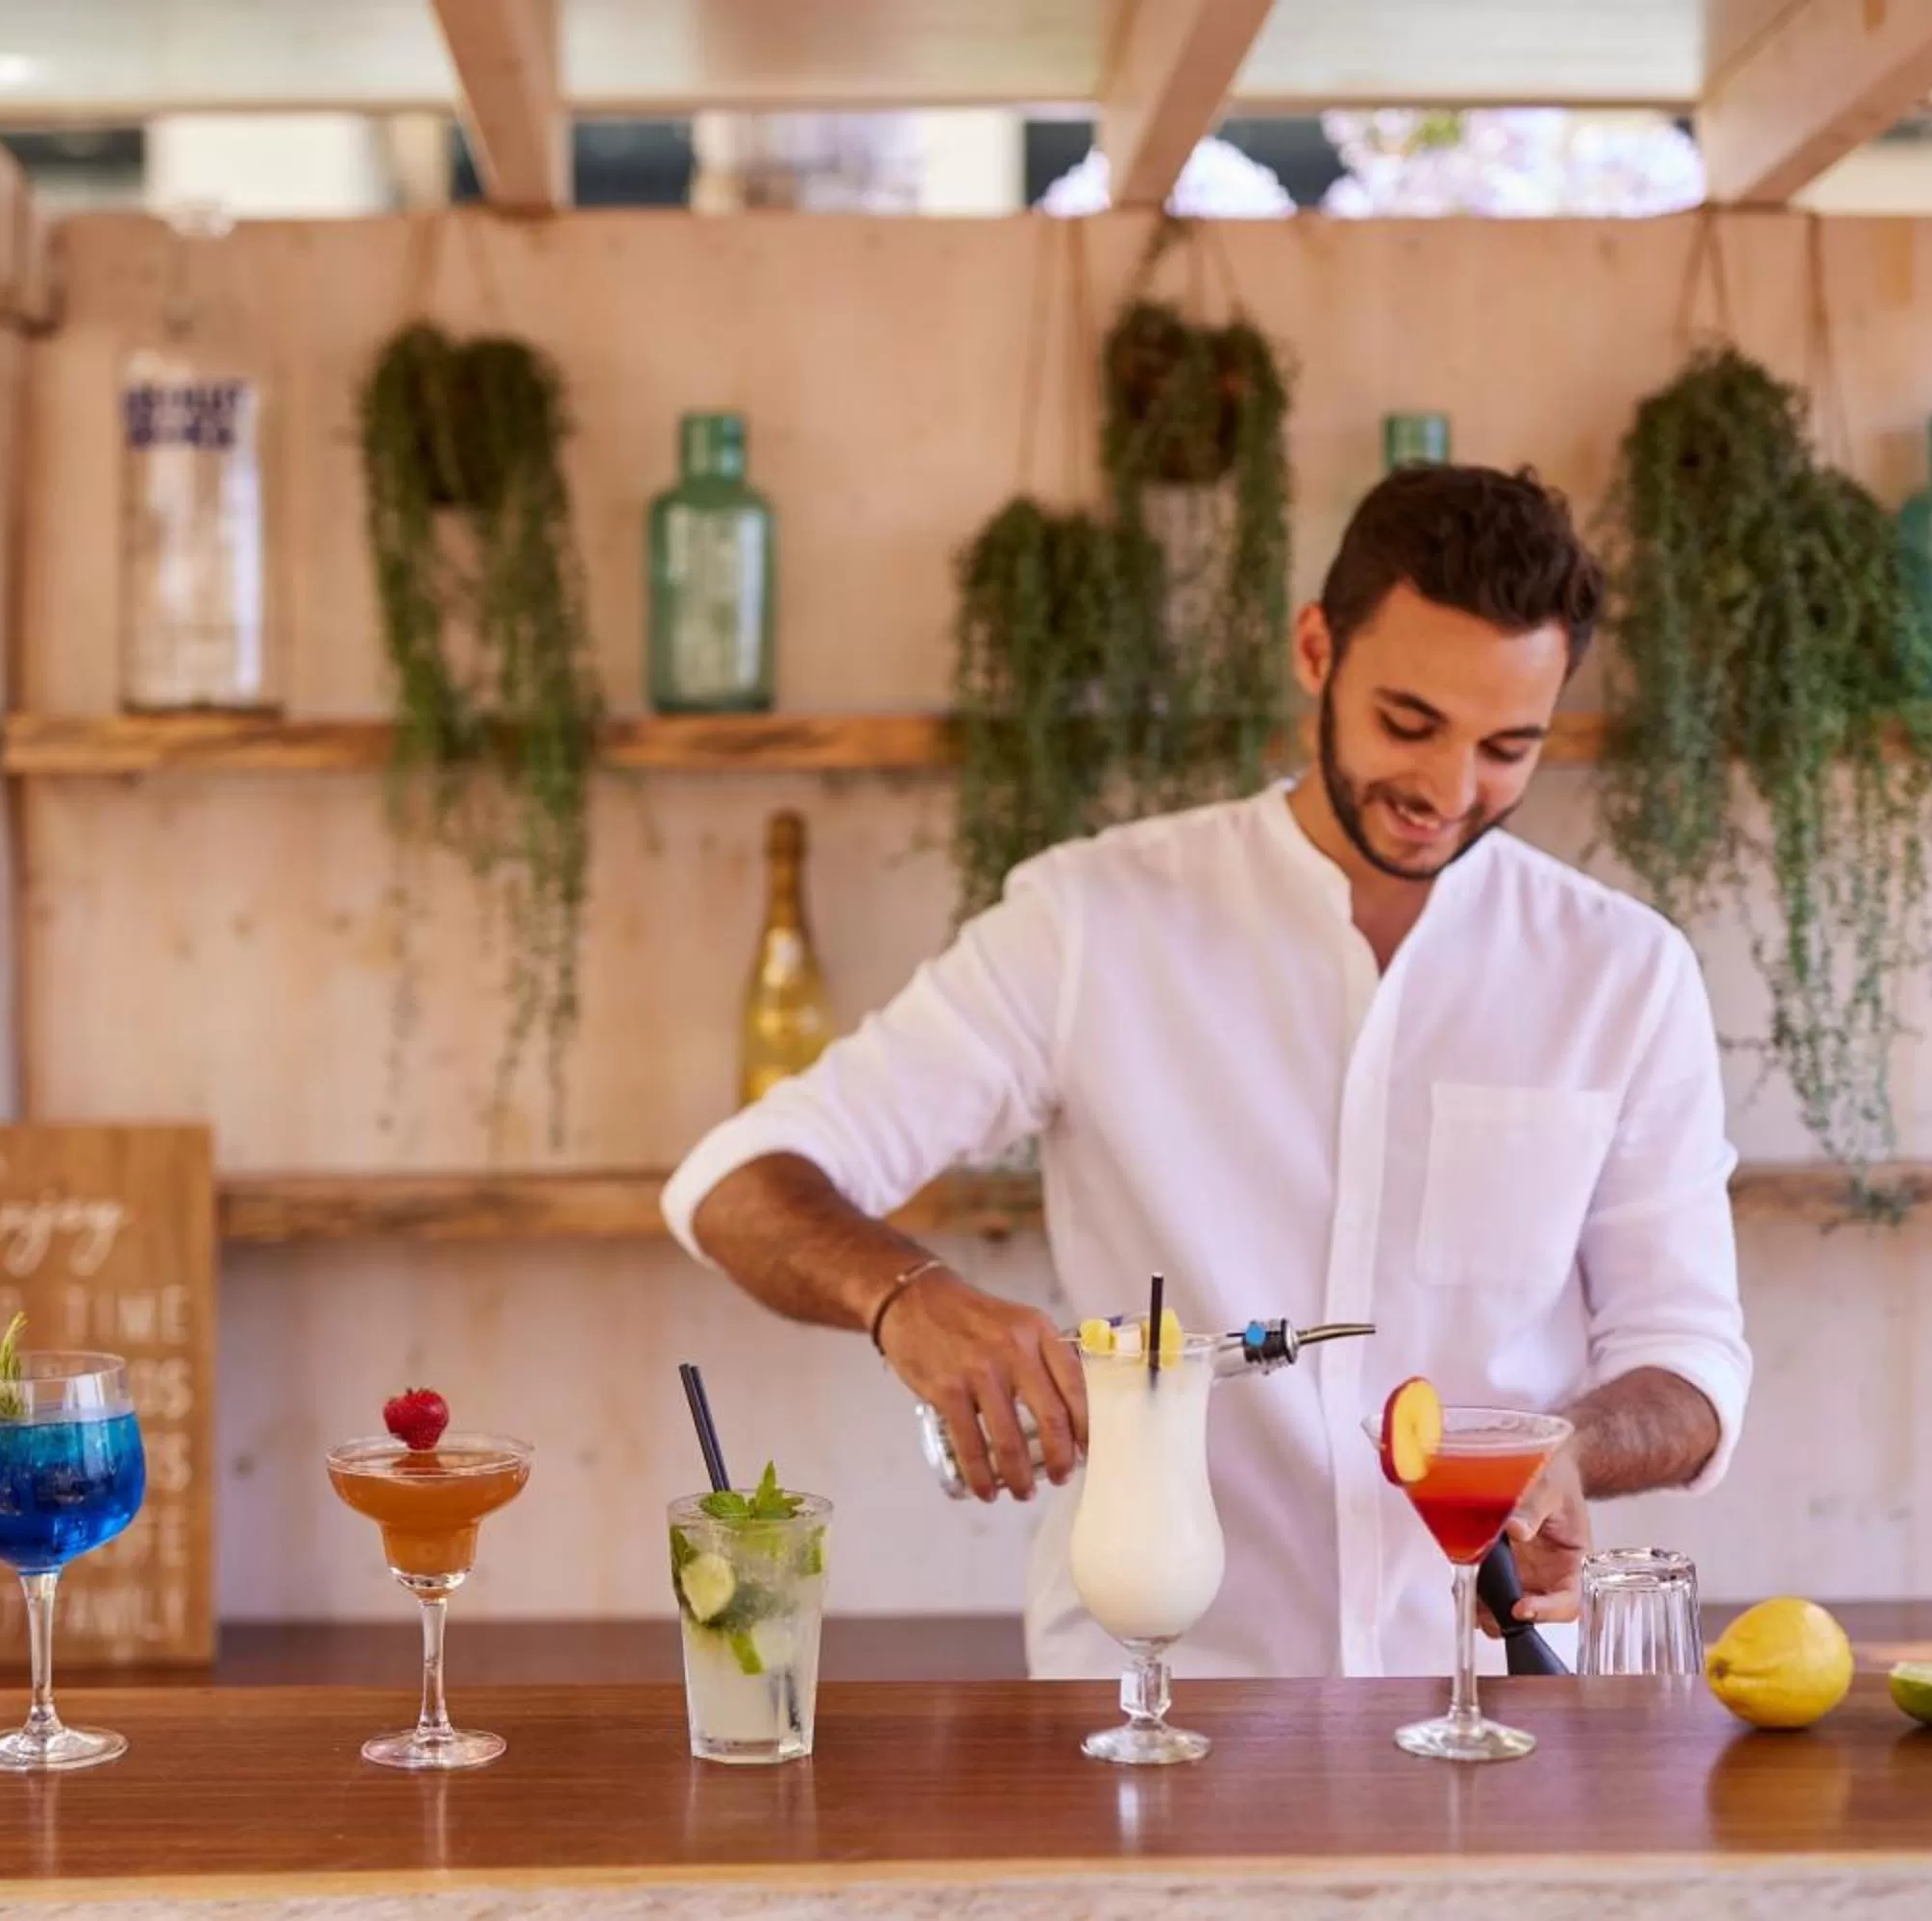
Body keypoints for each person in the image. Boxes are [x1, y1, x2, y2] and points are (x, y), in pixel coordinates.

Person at [662, 464, 1749, 1680]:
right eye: (1408, 722)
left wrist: (1568, 1444)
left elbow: (1692, 1358)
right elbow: (733, 1180)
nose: (1448, 791)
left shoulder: (1623, 971)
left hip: (1492, 1696)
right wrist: (904, 1295)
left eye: (1508, 746)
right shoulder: (1093, 921)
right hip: (1153, 1690)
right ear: (1314, 648)